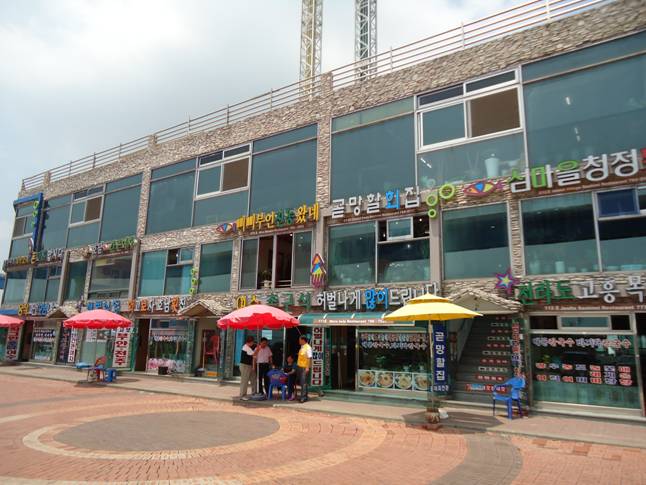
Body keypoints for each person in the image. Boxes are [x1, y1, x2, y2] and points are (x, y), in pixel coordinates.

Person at [296, 335, 313, 403]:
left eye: (299, 340)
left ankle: (303, 397)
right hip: (300, 367)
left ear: (303, 340)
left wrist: (307, 367)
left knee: (303, 382)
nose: (299, 341)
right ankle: (304, 396)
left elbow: (309, 358)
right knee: (302, 382)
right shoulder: (302, 347)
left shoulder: (308, 347)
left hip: (304, 367)